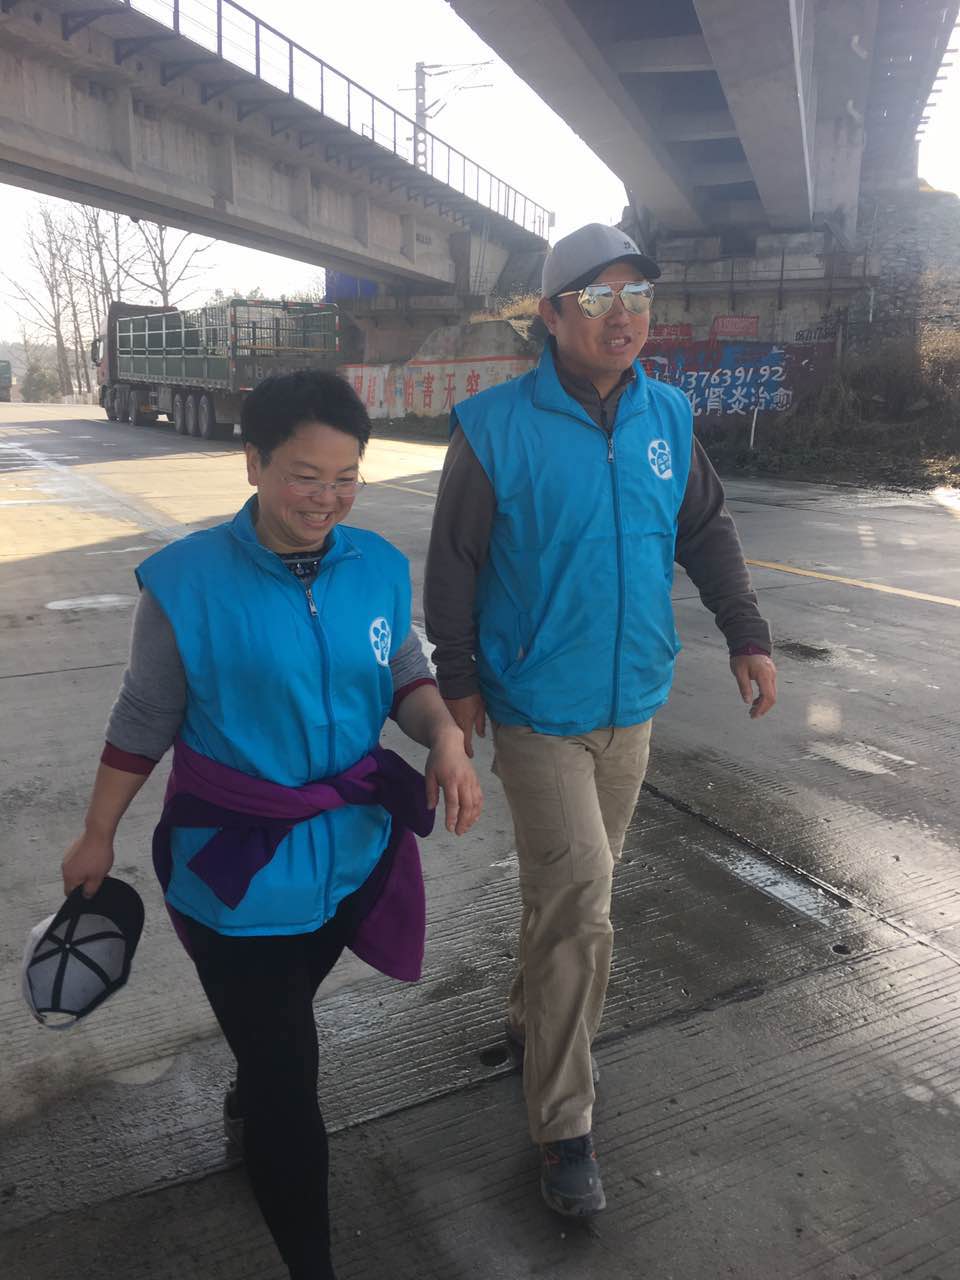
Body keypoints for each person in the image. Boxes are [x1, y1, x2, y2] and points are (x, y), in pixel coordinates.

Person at [61, 369, 482, 1280]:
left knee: (277, 1036)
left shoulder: (376, 566)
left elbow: (402, 672)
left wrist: (443, 733)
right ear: (252, 463)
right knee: (293, 1087)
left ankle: (253, 1077)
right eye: (304, 475)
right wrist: (97, 832)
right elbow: (144, 718)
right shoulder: (185, 584)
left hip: (349, 858)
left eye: (346, 477)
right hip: (235, 873)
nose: (327, 497)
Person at [425, 223, 777, 1218]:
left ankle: (532, 1019)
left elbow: (705, 528)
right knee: (582, 900)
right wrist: (459, 685)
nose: (623, 316)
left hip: (633, 701)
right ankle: (564, 1123)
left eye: (637, 296)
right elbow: (454, 562)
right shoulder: (494, 427)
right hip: (537, 707)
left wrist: (746, 632)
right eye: (598, 297)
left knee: (572, 889)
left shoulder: (667, 413)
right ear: (551, 314)